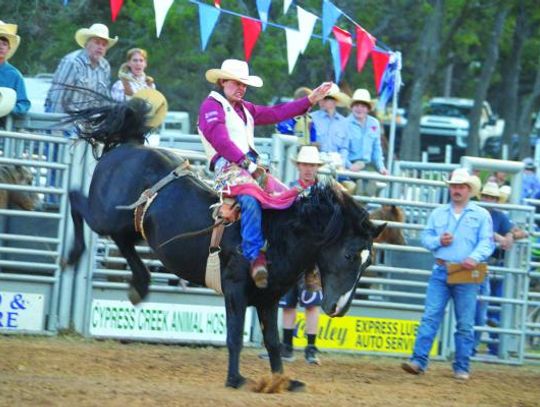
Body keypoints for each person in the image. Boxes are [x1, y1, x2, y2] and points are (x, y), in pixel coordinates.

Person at [197, 59, 332, 288]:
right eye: (236, 83)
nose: (241, 88)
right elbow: (220, 139)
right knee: (249, 199)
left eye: (244, 84)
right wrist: (246, 163)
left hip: (250, 167)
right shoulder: (212, 106)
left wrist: (309, 100)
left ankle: (304, 261)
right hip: (227, 167)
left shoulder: (245, 109)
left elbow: (276, 112)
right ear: (222, 81)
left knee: (291, 197)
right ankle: (254, 257)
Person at [401, 168, 494, 380]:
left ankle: (460, 365)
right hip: (442, 269)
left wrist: (475, 257)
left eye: (461, 186)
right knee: (431, 316)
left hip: (465, 271)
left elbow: (486, 242)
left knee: (464, 322)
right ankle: (419, 360)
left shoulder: (480, 214)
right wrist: (437, 241)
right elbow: (426, 237)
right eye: (454, 186)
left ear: (469, 189)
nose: (456, 190)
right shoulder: (439, 213)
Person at [274, 146, 324, 364]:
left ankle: (310, 347)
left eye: (311, 165)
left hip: (311, 256)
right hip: (291, 254)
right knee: (289, 302)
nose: (308, 169)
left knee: (311, 303)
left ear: (316, 168)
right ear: (299, 166)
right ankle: (288, 347)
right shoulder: (290, 190)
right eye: (305, 165)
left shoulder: (321, 192)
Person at [473, 182, 513, 356]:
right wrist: (498, 237)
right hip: (476, 264)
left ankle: (486, 347)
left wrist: (510, 235)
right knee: (476, 308)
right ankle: (472, 347)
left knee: (488, 307)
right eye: (487, 196)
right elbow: (479, 233)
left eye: (492, 197)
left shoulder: (500, 217)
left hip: (492, 266)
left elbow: (517, 230)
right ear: (481, 197)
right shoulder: (475, 213)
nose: (489, 200)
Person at [45, 23, 118, 113]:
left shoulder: (105, 66)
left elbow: (104, 99)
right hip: (66, 118)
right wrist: (57, 124)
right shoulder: (73, 62)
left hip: (89, 120)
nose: (100, 47)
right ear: (87, 44)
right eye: (97, 43)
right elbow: (58, 97)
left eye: (104, 45)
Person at [311, 83, 350, 168]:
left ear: (335, 101)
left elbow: (344, 148)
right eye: (321, 98)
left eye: (326, 98)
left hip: (336, 165)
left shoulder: (344, 122)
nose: (321, 100)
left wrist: (342, 163)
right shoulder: (311, 118)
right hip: (315, 164)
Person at [0, 21, 30, 120]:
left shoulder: (14, 75)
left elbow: (23, 104)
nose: (0, 47)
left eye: (4, 44)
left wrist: (6, 109)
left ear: (9, 48)